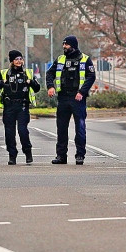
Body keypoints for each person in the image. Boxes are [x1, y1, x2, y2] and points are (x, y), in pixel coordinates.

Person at [45, 35, 96, 165]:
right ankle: (61, 156)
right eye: (63, 44)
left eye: (66, 45)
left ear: (73, 45)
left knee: (80, 128)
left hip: (78, 98)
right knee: (61, 128)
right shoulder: (61, 59)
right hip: (63, 98)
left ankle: (80, 155)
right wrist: (50, 87)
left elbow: (91, 76)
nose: (64, 47)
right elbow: (49, 73)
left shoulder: (85, 59)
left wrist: (82, 92)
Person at [0, 50, 38, 165]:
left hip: (22, 105)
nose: (19, 61)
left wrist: (30, 82)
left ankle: (28, 152)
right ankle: (12, 155)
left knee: (23, 131)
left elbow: (37, 88)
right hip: (9, 106)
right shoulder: (5, 73)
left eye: (20, 59)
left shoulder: (27, 73)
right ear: (12, 61)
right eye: (16, 59)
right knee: (9, 133)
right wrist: (3, 82)